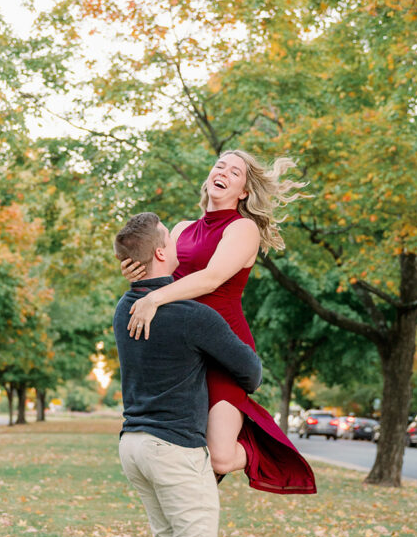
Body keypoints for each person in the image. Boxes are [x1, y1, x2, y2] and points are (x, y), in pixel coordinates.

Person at [98, 211, 263, 537]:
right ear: (160, 252)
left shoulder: (125, 307)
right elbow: (251, 372)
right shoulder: (193, 316)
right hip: (173, 448)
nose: (179, 245)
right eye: (170, 240)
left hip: (133, 444)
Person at [123, 149, 316, 497]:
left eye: (235, 172)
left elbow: (212, 279)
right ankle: (189, 527)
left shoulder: (243, 228)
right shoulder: (181, 229)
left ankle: (259, 444)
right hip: (184, 350)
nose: (223, 172)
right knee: (185, 453)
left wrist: (153, 299)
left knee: (221, 458)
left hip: (224, 348)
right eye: (219, 166)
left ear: (244, 191)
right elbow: (161, 275)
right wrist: (136, 274)